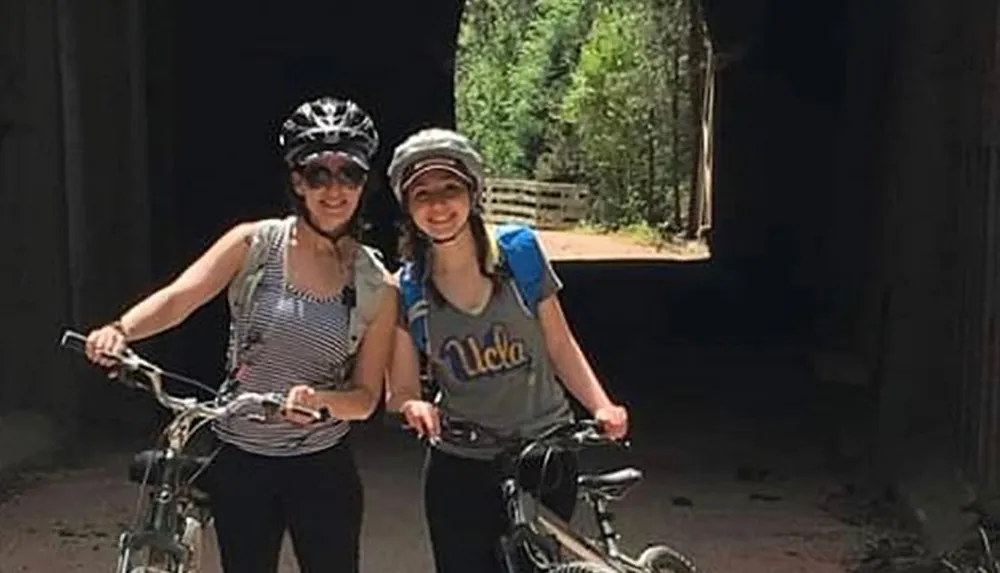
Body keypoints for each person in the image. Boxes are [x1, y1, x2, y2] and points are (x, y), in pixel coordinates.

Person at [83, 96, 397, 573]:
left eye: (348, 174)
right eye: (318, 175)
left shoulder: (375, 281)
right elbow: (180, 297)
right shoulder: (255, 244)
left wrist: (320, 400)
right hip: (241, 459)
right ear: (297, 180)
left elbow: (366, 397)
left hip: (321, 468)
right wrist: (120, 329)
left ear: (363, 183)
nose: (334, 190)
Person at [383, 127, 630, 573]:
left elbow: (559, 342)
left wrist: (601, 405)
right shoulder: (407, 288)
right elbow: (399, 389)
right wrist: (413, 406)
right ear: (407, 205)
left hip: (543, 453)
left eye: (450, 188)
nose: (438, 205)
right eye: (422, 194)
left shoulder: (519, 254)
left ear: (473, 193)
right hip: (460, 463)